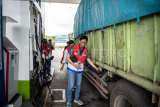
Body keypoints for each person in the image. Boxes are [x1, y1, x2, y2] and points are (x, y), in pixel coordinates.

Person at [66, 36, 99, 107]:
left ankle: (76, 98)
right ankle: (69, 100)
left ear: (86, 42)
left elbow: (89, 60)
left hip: (80, 70)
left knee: (78, 85)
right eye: (82, 42)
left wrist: (95, 67)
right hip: (72, 68)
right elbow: (67, 58)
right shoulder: (73, 48)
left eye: (85, 42)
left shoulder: (85, 51)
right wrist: (75, 66)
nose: (83, 44)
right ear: (79, 42)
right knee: (71, 85)